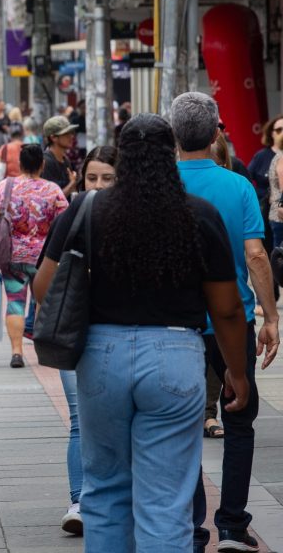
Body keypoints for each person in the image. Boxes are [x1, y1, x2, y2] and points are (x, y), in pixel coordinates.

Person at [33, 113, 251, 552]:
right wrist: (236, 371)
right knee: (166, 501)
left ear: (123, 157)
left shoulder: (88, 209)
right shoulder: (198, 216)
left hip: (101, 355)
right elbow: (226, 309)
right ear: (170, 154)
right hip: (176, 356)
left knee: (107, 490)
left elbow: (43, 286)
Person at [169, 93, 279, 553]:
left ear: (173, 136)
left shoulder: (161, 187)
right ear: (217, 133)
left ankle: (191, 529)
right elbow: (256, 254)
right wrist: (270, 314)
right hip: (230, 323)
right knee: (239, 419)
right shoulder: (237, 187)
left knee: (181, 427)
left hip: (172, 327)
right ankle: (232, 526)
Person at [43, 144, 118, 536]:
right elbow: (45, 282)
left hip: (118, 338)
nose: (98, 185)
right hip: (76, 334)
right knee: (80, 422)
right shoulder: (75, 215)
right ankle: (80, 501)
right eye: (92, 178)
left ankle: (110, 499)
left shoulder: (132, 219)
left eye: (108, 178)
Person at [0, 144, 67, 368]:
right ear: (43, 164)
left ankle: (16, 353)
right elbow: (64, 221)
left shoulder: (5, 186)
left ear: (20, 164)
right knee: (43, 301)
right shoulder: (52, 190)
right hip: (45, 259)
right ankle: (42, 350)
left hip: (13, 255)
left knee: (15, 303)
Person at [41, 116, 78, 196]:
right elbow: (52, 200)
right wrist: (72, 183)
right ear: (53, 138)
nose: (71, 136)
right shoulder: (46, 162)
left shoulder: (66, 160)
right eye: (66, 133)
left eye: (71, 133)